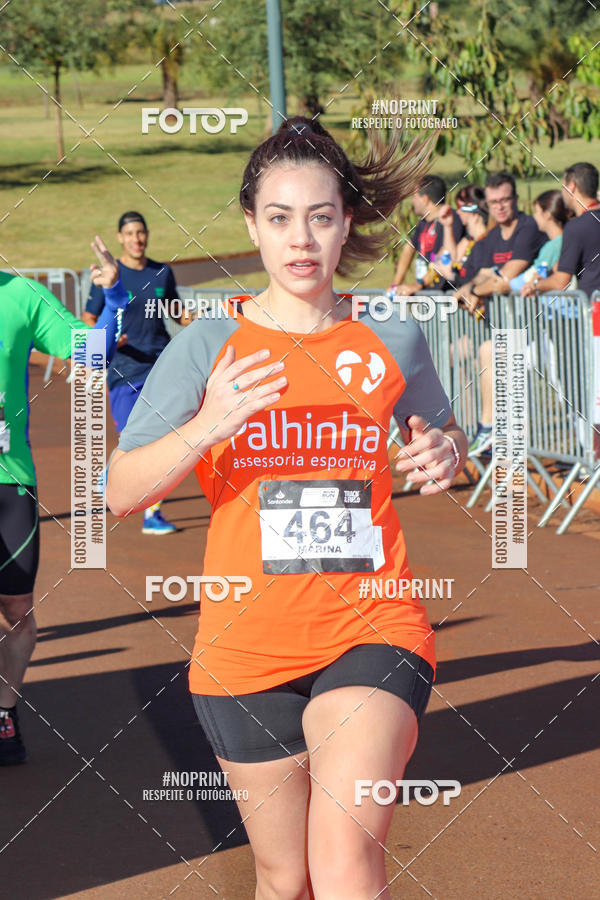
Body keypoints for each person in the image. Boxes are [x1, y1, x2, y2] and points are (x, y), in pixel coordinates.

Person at [107, 116, 468, 898]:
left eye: (320, 216)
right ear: (251, 225)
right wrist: (207, 427)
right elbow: (122, 492)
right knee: (284, 876)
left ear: (346, 225)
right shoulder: (209, 343)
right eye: (279, 218)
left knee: (342, 863)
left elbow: (443, 434)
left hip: (373, 625)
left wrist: (445, 451)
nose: (300, 239)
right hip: (244, 647)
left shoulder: (392, 334)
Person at [0, 238, 128, 765]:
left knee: (16, 610)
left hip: (10, 481)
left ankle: (4, 711)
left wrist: (115, 294)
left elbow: (92, 350)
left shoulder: (22, 297)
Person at [82, 211, 184, 535]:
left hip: (161, 366)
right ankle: (113, 472)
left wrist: (208, 320)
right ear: (120, 238)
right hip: (124, 369)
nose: (136, 239)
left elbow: (177, 313)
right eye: (130, 234)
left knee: (160, 439)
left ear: (147, 235)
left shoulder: (162, 272)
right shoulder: (112, 275)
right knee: (133, 438)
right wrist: (110, 334)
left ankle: (152, 514)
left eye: (141, 232)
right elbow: (87, 320)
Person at [468, 190, 571, 456]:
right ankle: (497, 432)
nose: (534, 216)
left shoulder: (556, 244)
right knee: (498, 355)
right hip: (550, 328)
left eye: (536, 211)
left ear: (546, 214)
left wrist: (495, 287)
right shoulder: (551, 244)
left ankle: (508, 437)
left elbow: (526, 280)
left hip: (561, 328)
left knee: (570, 393)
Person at [454, 171, 545, 317]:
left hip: (532, 317)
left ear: (515, 199)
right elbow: (485, 272)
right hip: (503, 318)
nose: (499, 207)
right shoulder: (493, 234)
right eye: (493, 202)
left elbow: (507, 275)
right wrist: (469, 286)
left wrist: (475, 291)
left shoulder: (528, 228)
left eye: (504, 200)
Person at [522, 162, 600, 299]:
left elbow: (561, 282)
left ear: (572, 186)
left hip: (593, 309)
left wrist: (535, 284)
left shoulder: (576, 227)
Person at [390, 174, 465, 295]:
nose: (412, 200)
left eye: (414, 196)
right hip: (426, 293)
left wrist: (418, 284)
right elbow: (408, 249)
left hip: (445, 296)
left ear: (425, 199)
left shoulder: (451, 219)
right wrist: (395, 284)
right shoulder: (423, 223)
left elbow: (445, 256)